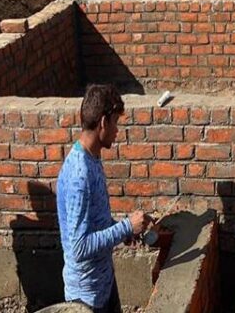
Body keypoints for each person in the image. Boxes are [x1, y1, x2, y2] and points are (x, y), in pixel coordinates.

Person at [57, 84, 150, 313]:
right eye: (115, 122)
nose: (117, 130)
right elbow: (78, 247)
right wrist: (126, 226)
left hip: (103, 284)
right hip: (87, 297)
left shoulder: (92, 157)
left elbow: (94, 221)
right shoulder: (80, 175)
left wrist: (123, 231)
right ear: (102, 122)